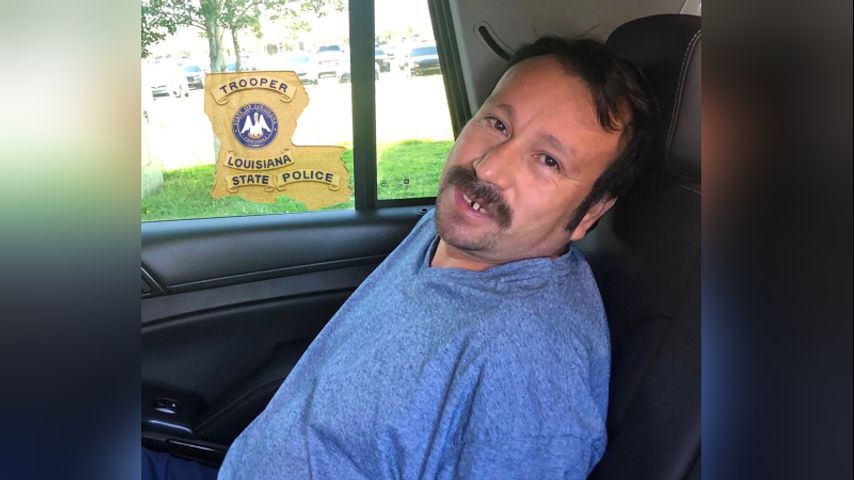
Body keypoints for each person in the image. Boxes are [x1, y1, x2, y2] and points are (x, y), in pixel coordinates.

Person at [143, 36, 656, 480]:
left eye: (548, 160)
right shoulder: (453, 229)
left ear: (592, 212)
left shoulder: (529, 370)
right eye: (498, 124)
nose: (489, 167)